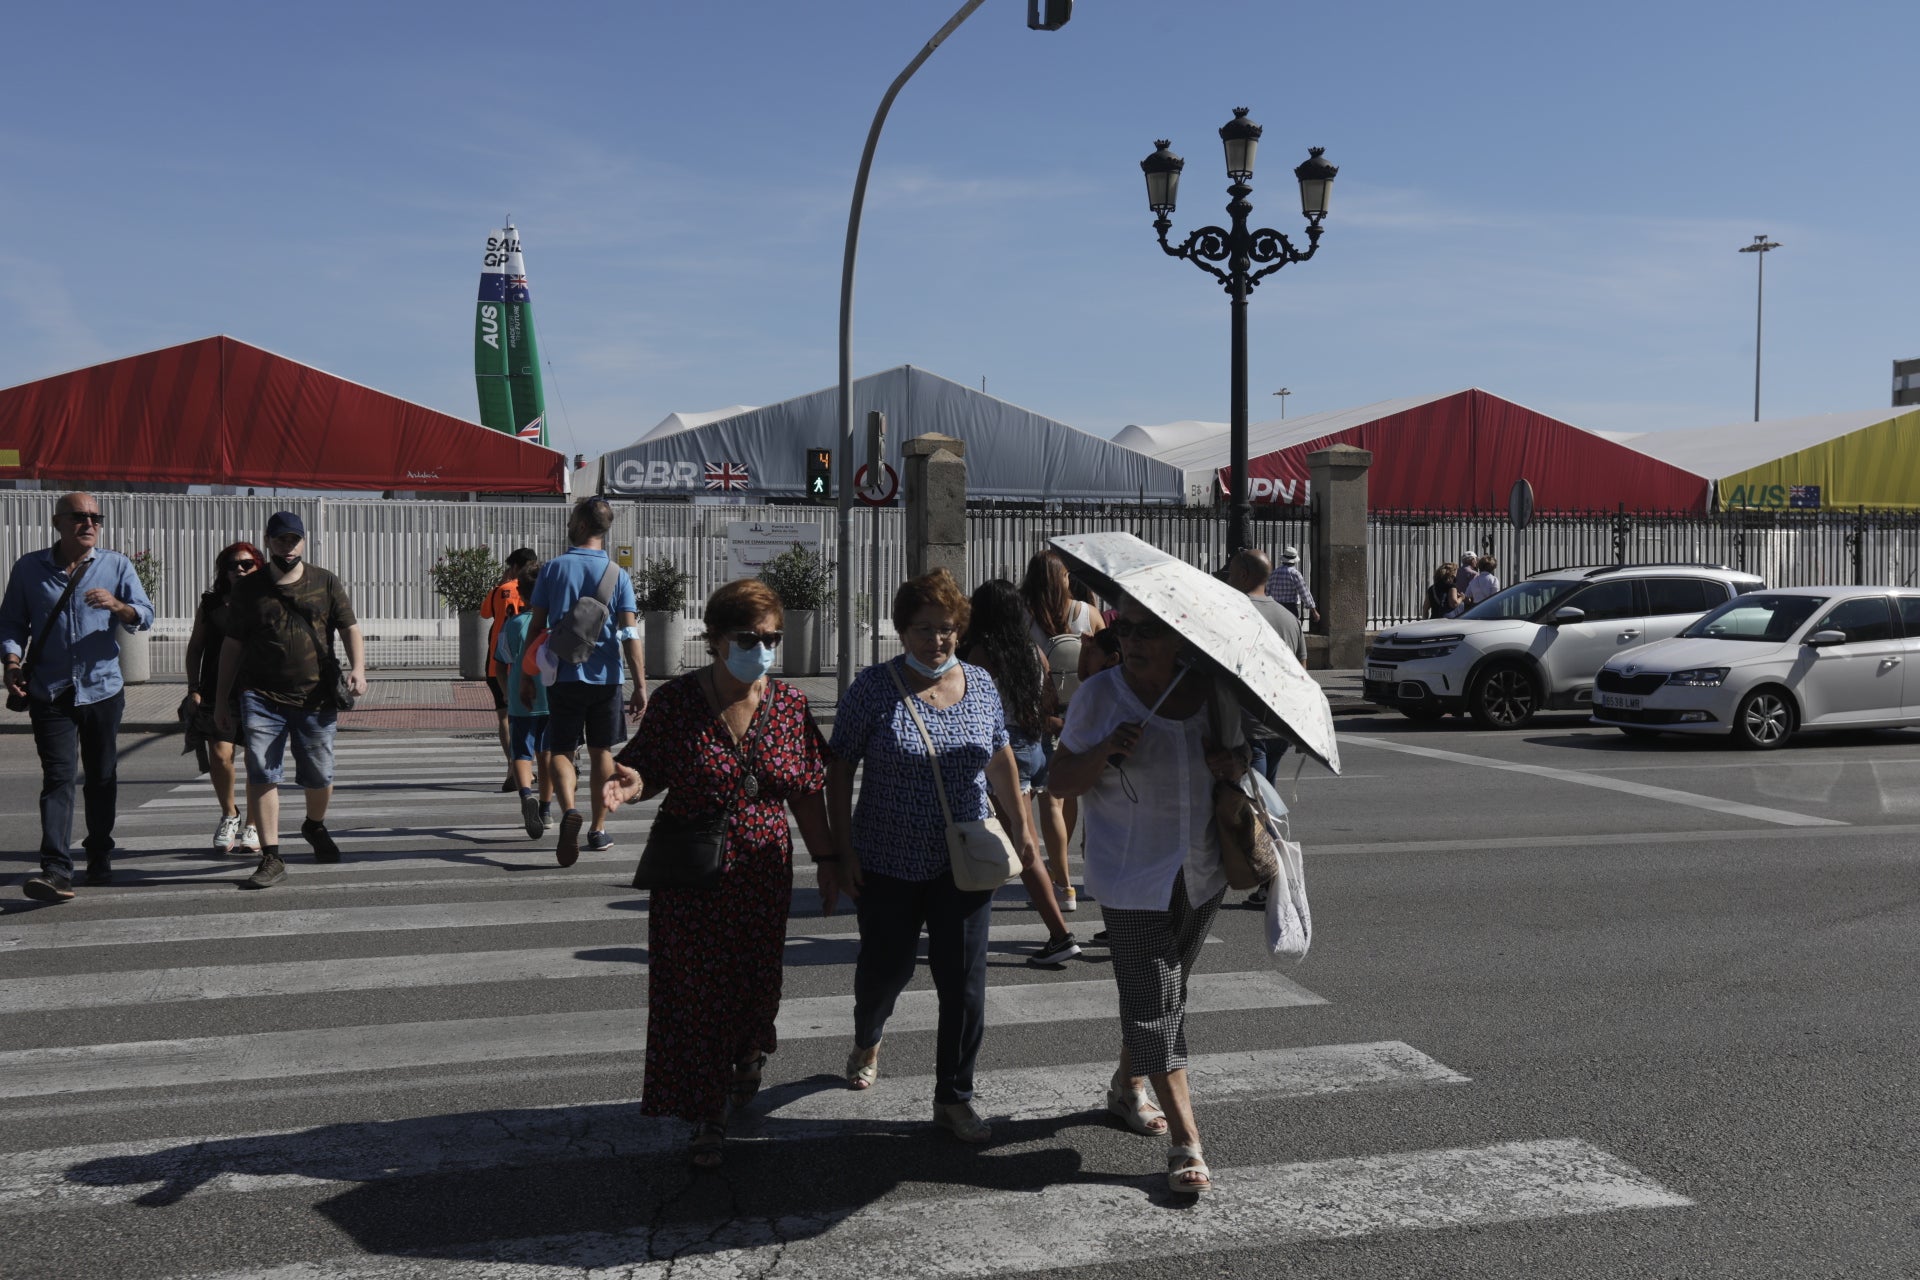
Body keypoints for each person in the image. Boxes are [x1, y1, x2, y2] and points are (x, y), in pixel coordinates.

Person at [602, 579, 833, 1170]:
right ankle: (707, 1112)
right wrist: (631, 783)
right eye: (749, 638)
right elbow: (645, 765)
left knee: (756, 985)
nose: (762, 649)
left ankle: (750, 1051)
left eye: (772, 638)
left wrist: (829, 861)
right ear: (714, 640)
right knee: (695, 993)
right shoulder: (680, 701)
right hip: (692, 865)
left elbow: (807, 791)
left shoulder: (788, 705)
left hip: (763, 869)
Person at [827, 568, 1043, 1145]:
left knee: (964, 984)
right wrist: (840, 849)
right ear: (902, 630)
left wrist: (1023, 831)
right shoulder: (873, 687)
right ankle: (869, 1032)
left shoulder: (980, 682)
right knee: (884, 971)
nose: (936, 641)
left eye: (947, 629)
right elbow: (840, 764)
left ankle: (954, 1097)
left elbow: (1000, 758)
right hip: (886, 856)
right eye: (924, 629)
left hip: (965, 860)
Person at [1048, 595, 1247, 1196]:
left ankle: (1125, 1085)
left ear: (1179, 637)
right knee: (1156, 1004)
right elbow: (1058, 780)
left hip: (1202, 870)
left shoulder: (1213, 692)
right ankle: (1187, 1140)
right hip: (1133, 875)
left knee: (1163, 994)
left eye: (1147, 631)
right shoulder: (1100, 696)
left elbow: (1242, 762)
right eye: (1122, 629)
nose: (1130, 641)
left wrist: (1228, 761)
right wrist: (1106, 749)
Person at [0, 492, 154, 902]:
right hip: (51, 691)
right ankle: (55, 870)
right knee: (58, 779)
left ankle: (100, 853)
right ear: (58, 522)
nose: (89, 523)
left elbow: (145, 613)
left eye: (95, 517)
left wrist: (118, 606)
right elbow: (12, 622)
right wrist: (12, 662)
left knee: (102, 777)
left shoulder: (115, 565)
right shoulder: (29, 568)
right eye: (79, 517)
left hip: (102, 689)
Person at [214, 511, 366, 889]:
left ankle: (314, 825)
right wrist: (220, 700)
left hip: (315, 697)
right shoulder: (249, 589)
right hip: (261, 695)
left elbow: (349, 626)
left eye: (294, 539)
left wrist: (359, 668)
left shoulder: (324, 581)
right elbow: (231, 646)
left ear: (303, 541)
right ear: (268, 541)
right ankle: (271, 855)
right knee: (261, 771)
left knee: (320, 774)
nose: (288, 546)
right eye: (281, 539)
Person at [957, 579, 1080, 965]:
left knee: (1021, 847)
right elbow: (1045, 706)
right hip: (1033, 748)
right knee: (1007, 840)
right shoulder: (1034, 652)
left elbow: (970, 705)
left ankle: (1060, 936)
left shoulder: (981, 654)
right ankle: (961, 923)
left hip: (1002, 754)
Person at [522, 496, 645, 866]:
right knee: (601, 753)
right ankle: (597, 828)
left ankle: (569, 809)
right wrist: (640, 683)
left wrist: (527, 676)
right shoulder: (617, 574)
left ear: (578, 525)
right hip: (607, 678)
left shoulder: (554, 569)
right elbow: (629, 633)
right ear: (605, 530)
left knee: (560, 749)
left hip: (563, 674)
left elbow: (537, 625)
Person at [1018, 549, 1101, 913]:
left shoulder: (1023, 617)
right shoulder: (1088, 613)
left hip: (1039, 714)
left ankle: (1060, 878)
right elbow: (1107, 661)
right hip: (1082, 716)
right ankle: (1062, 865)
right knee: (1069, 795)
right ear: (1061, 578)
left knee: (1046, 797)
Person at [182, 542, 264, 856]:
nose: (239, 570)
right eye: (233, 565)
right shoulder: (212, 604)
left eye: (246, 564)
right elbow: (195, 649)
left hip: (260, 690)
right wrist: (193, 687)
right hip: (219, 691)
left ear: (258, 565)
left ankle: (254, 825)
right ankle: (230, 814)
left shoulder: (269, 599)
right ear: (224, 571)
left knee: (257, 761)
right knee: (220, 755)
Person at [1224, 548, 1301, 783]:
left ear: (1244, 575)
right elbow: (1301, 677)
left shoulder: (1232, 614)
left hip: (1248, 729)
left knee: (1253, 807)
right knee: (1267, 802)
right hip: (1280, 727)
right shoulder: (1291, 620)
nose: (1228, 579)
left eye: (1231, 574)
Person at [495, 556, 554, 838]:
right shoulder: (556, 623)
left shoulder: (514, 624)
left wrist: (507, 693)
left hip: (521, 694)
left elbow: (500, 662)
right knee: (547, 754)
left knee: (521, 752)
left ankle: (526, 796)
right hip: (551, 694)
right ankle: (545, 809)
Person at [482, 548, 538, 793]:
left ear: (514, 567)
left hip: (499, 662)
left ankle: (512, 768)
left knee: (504, 716)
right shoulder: (540, 589)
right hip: (533, 660)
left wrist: (501, 585)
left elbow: (485, 613)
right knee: (539, 716)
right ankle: (536, 767)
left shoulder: (500, 591)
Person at [1264, 546, 1320, 629]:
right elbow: (1304, 593)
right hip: (1290, 608)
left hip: (1275, 608)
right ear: (1294, 561)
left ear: (1283, 559)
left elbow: (1267, 592)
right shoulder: (1295, 574)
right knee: (1291, 633)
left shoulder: (1274, 573)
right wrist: (1314, 611)